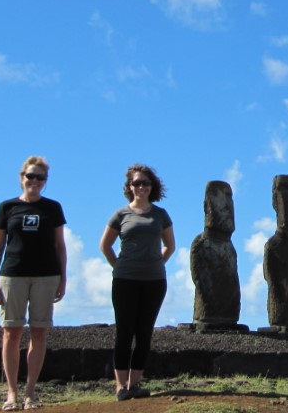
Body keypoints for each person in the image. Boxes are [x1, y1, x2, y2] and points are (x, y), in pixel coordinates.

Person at [0, 155, 67, 411]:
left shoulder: (53, 208)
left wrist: (63, 278)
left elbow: (60, 246)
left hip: (46, 275)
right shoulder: (7, 207)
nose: (34, 181)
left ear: (45, 181)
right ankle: (11, 392)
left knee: (39, 331)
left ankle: (30, 393)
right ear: (21, 177)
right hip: (12, 274)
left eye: (40, 177)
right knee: (11, 332)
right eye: (30, 176)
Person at [99, 164, 175, 401]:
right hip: (124, 279)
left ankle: (135, 384)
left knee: (144, 333)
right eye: (136, 183)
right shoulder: (121, 214)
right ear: (129, 187)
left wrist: (156, 264)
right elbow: (105, 246)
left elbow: (170, 246)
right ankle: (120, 386)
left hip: (154, 281)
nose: (141, 187)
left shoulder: (160, 214)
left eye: (145, 183)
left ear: (152, 187)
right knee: (124, 331)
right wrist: (119, 267)